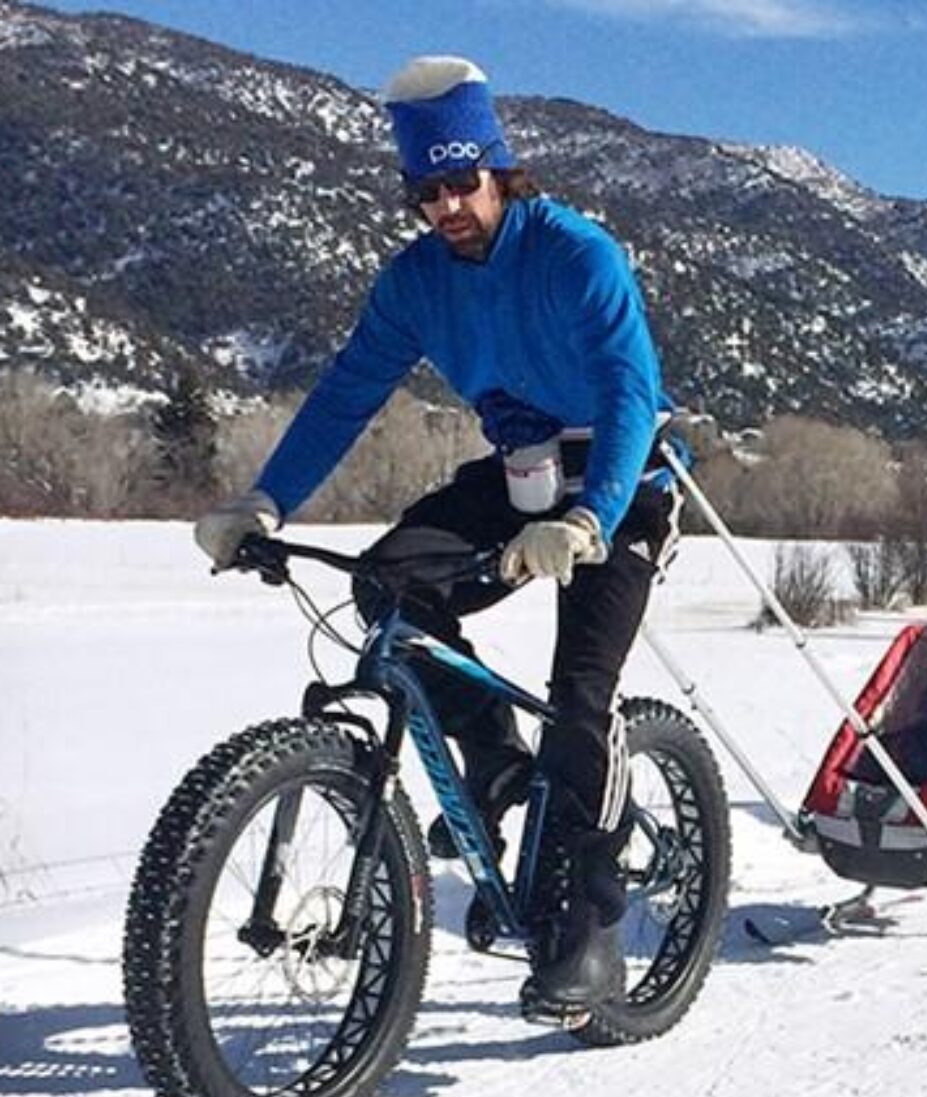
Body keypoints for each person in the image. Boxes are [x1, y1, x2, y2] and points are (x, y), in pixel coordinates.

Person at [193, 56, 678, 1024]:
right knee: (386, 587)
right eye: (428, 191)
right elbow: (345, 394)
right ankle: (498, 762)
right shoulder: (414, 281)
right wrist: (264, 502)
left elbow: (630, 393)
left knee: (584, 692)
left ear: (500, 172)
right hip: (520, 470)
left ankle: (587, 924)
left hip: (623, 480)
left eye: (464, 183)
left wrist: (589, 519)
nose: (448, 205)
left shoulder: (577, 253)